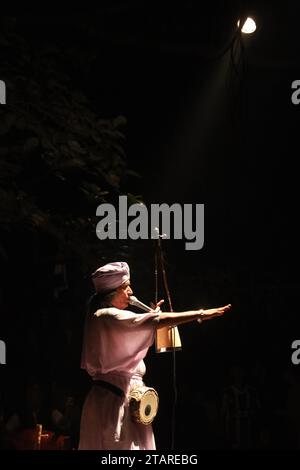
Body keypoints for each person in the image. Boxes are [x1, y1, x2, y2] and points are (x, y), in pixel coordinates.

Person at [79, 261, 231, 450]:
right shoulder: (107, 316)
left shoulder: (106, 317)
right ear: (113, 291)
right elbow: (154, 321)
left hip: (120, 397)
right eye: (126, 287)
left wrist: (151, 319)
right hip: (113, 401)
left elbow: (144, 325)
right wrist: (199, 313)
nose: (131, 292)